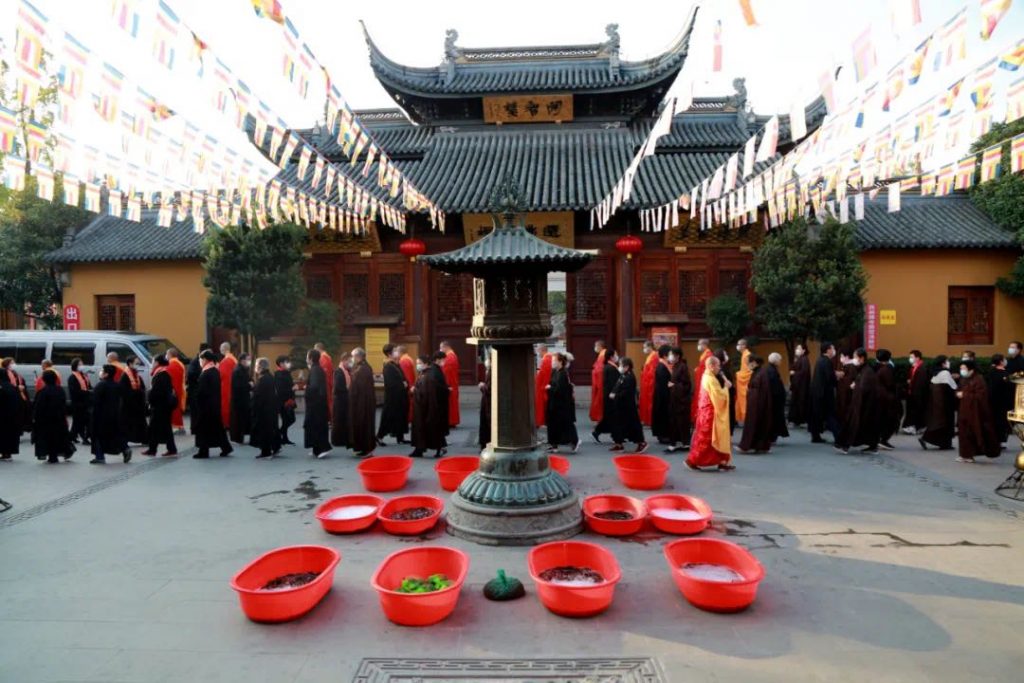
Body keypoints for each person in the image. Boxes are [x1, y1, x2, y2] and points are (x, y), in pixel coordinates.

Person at [687, 355, 734, 471]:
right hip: (710, 414)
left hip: (707, 412)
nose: (719, 368)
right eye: (718, 365)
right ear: (711, 366)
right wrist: (726, 387)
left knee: (717, 437)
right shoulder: (710, 379)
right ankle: (692, 461)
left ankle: (722, 461)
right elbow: (719, 397)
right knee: (707, 440)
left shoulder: (707, 376)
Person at [836, 349, 881, 455]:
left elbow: (864, 388)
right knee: (865, 426)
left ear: (862, 358)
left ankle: (845, 446)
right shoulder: (862, 369)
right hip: (860, 404)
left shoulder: (867, 371)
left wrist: (855, 387)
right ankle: (872, 446)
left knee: (855, 426)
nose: (854, 359)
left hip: (863, 404)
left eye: (856, 357)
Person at [956, 359, 1001, 463]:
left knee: (972, 432)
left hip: (975, 412)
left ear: (971, 369)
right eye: (961, 368)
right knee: (963, 433)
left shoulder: (979, 379)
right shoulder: (964, 379)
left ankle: (970, 455)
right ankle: (964, 454)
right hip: (964, 410)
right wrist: (958, 393)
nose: (962, 370)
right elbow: (958, 389)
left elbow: (981, 396)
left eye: (964, 368)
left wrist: (965, 395)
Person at [193, 350, 233, 459]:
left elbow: (202, 391)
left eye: (200, 359)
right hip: (214, 405)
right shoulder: (214, 370)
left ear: (205, 360)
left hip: (206, 406)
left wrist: (197, 399)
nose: (200, 361)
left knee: (204, 429)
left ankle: (203, 451)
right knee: (217, 429)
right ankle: (226, 448)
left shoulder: (206, 372)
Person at [90, 364, 131, 464]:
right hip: (115, 414)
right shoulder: (117, 385)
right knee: (115, 434)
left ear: (106, 374)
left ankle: (99, 456)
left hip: (101, 415)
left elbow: (94, 400)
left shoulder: (101, 385)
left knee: (97, 436)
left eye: (102, 371)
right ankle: (125, 448)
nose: (100, 372)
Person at [410, 354, 447, 458]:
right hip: (422, 407)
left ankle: (437, 448)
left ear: (426, 364)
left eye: (419, 363)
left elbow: (425, 393)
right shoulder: (424, 373)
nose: (417, 365)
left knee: (428, 428)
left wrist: (415, 390)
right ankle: (420, 449)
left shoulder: (428, 376)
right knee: (424, 428)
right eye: (417, 363)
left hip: (425, 407)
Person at [608, 357, 647, 453]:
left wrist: (615, 395)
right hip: (619, 405)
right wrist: (613, 392)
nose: (619, 367)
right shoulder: (623, 375)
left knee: (632, 425)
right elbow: (617, 386)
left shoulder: (630, 377)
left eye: (621, 365)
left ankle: (641, 443)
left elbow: (626, 392)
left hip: (627, 406)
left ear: (627, 367)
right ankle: (619, 444)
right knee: (617, 425)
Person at [33, 370, 72, 464]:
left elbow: (39, 407)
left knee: (48, 438)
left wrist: (35, 418)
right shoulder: (60, 390)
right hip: (59, 418)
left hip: (46, 419)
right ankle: (59, 453)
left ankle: (51, 456)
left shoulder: (43, 392)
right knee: (58, 437)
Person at [142, 355, 177, 457]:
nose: (152, 364)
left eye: (153, 362)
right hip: (163, 406)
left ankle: (154, 450)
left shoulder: (161, 375)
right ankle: (165, 449)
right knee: (163, 428)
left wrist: (149, 397)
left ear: (157, 363)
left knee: (155, 428)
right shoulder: (163, 373)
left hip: (160, 406)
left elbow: (156, 392)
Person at [920, 356, 958, 450]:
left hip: (937, 403)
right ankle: (941, 443)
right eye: (947, 361)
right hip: (945, 403)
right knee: (944, 423)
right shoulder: (945, 373)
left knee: (939, 423)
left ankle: (944, 444)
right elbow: (952, 387)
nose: (948, 363)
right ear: (943, 363)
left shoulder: (936, 373)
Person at [545, 352, 580, 453]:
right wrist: (550, 387)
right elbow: (552, 383)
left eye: (554, 360)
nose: (552, 362)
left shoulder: (563, 373)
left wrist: (550, 388)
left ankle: (574, 441)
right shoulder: (554, 371)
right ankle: (553, 444)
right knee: (553, 424)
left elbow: (560, 389)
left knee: (566, 424)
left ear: (560, 361)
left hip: (562, 404)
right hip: (554, 402)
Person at [738, 355, 773, 453]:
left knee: (754, 425)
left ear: (754, 363)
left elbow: (760, 389)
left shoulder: (761, 373)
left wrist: (750, 390)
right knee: (757, 425)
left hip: (757, 404)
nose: (747, 365)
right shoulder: (758, 372)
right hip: (756, 403)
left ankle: (749, 446)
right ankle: (757, 446)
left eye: (748, 363)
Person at [376, 344, 408, 446]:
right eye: (395, 350)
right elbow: (391, 384)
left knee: (400, 416)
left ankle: (400, 437)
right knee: (388, 417)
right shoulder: (388, 367)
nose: (397, 352)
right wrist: (402, 384)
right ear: (389, 354)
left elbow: (403, 377)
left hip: (400, 396)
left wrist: (405, 383)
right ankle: (379, 437)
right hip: (392, 398)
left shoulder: (396, 364)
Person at [250, 358, 281, 459]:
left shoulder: (263, 379)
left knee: (264, 431)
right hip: (270, 409)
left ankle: (266, 452)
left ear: (260, 367)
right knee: (271, 429)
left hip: (264, 410)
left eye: (256, 366)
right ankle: (274, 448)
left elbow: (259, 396)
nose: (255, 368)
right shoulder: (269, 377)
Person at [348, 347, 377, 457]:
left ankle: (367, 449)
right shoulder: (363, 367)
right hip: (363, 401)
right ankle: (362, 448)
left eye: (353, 356)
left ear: (358, 356)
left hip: (363, 403)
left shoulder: (362, 369)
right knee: (362, 425)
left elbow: (357, 387)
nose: (352, 358)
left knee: (364, 425)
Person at [303, 349, 331, 458]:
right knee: (315, 426)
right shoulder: (317, 368)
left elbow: (314, 387)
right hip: (318, 403)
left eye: (307, 357)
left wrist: (306, 388)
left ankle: (322, 448)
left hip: (316, 404)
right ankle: (316, 449)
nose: (306, 359)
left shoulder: (315, 370)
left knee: (317, 426)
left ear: (310, 358)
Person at [809, 343, 839, 444]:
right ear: (828, 350)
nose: (834, 350)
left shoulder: (820, 360)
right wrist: (837, 379)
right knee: (830, 415)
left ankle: (815, 436)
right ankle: (839, 438)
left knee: (816, 415)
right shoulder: (827, 361)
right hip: (824, 393)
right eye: (833, 348)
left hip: (817, 392)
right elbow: (830, 377)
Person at [590, 348, 620, 442]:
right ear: (611, 357)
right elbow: (612, 383)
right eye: (615, 354)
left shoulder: (609, 366)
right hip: (611, 395)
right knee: (612, 416)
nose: (617, 356)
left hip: (608, 395)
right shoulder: (611, 368)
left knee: (609, 417)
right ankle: (615, 435)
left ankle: (599, 432)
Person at [665, 347, 691, 453]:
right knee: (674, 422)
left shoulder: (683, 367)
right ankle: (675, 443)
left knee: (682, 422)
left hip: (681, 401)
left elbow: (687, 385)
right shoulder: (676, 366)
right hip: (675, 400)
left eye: (671, 354)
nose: (669, 357)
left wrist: (674, 385)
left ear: (677, 356)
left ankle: (685, 443)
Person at [874, 349, 901, 450]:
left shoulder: (878, 368)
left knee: (883, 419)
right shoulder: (887, 369)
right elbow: (890, 384)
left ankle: (881, 439)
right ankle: (883, 440)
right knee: (890, 420)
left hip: (881, 397)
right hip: (888, 398)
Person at [119, 356, 148, 445]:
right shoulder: (125, 375)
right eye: (136, 363)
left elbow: (142, 387)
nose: (138, 365)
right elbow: (124, 391)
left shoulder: (136, 374)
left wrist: (141, 392)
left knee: (140, 423)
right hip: (129, 404)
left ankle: (144, 439)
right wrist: (137, 393)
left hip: (138, 404)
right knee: (128, 424)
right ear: (130, 364)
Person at [987, 353, 1014, 447]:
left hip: (993, 401)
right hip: (1003, 402)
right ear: (1001, 362)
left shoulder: (991, 372)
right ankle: (999, 441)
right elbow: (1009, 388)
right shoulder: (1004, 374)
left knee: (994, 421)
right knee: (1001, 422)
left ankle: (994, 440)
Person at [902, 349, 929, 434]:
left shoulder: (922, 368)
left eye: (911, 357)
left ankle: (915, 427)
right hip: (912, 393)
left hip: (917, 394)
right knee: (913, 411)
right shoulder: (914, 367)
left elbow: (921, 383)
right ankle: (916, 427)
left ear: (917, 358)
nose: (910, 359)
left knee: (916, 411)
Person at [650, 345, 672, 444]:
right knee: (662, 415)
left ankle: (664, 434)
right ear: (664, 355)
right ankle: (663, 435)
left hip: (662, 394)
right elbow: (664, 383)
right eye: (670, 354)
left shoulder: (664, 365)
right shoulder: (662, 367)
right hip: (662, 395)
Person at [228, 353, 252, 444]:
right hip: (238, 399)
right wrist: (249, 385)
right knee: (238, 420)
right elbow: (238, 386)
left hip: (243, 398)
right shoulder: (237, 371)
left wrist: (250, 383)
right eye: (248, 359)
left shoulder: (244, 369)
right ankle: (237, 438)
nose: (249, 361)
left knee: (242, 419)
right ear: (242, 360)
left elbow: (248, 380)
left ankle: (240, 437)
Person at [765, 352, 789, 444]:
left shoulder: (770, 369)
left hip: (774, 399)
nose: (780, 362)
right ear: (776, 361)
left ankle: (772, 436)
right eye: (779, 360)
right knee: (774, 419)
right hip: (775, 400)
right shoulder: (772, 371)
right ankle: (772, 437)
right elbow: (775, 387)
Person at [68, 357, 92, 445]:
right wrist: (87, 393)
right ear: (75, 366)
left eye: (82, 364)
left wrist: (91, 392)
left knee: (79, 422)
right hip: (78, 403)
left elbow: (89, 386)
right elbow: (74, 391)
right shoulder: (72, 377)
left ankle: (72, 437)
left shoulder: (84, 376)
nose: (82, 366)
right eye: (80, 364)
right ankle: (84, 438)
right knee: (80, 421)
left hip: (85, 402)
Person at [0, 369, 23, 461]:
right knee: (9, 435)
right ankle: (7, 453)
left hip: (2, 415)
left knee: (2, 435)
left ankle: (3, 453)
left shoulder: (1, 387)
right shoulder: (13, 387)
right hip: (13, 415)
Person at [186, 343, 209, 433]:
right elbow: (191, 375)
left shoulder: (201, 360)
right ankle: (195, 429)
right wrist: (201, 377)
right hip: (194, 391)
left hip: (199, 391)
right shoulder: (195, 361)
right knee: (195, 411)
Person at [3, 357, 30, 433]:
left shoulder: (15, 373)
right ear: (7, 364)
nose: (14, 364)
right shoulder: (4, 373)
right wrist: (17, 388)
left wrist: (22, 387)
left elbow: (21, 381)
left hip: (20, 396)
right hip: (12, 397)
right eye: (12, 363)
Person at [330, 353, 351, 450]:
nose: (350, 363)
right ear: (344, 360)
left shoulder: (346, 371)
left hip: (344, 399)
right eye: (349, 361)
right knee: (338, 421)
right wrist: (347, 390)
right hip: (339, 400)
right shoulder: (339, 371)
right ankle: (337, 440)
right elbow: (338, 387)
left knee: (343, 420)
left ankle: (343, 439)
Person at [274, 356, 296, 445]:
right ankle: (279, 434)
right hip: (283, 401)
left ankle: (284, 438)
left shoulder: (286, 372)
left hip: (289, 400)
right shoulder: (279, 374)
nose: (289, 364)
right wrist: (292, 389)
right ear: (281, 364)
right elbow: (280, 390)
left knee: (288, 419)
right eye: (287, 362)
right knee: (288, 419)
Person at [431, 351, 451, 447]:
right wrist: (446, 389)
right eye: (443, 359)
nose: (444, 361)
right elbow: (437, 385)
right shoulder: (434, 370)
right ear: (438, 360)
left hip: (440, 399)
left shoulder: (437, 369)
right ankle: (440, 440)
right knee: (439, 421)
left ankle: (442, 440)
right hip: (438, 400)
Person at [788, 344, 811, 427]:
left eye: (798, 348)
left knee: (799, 403)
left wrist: (794, 373)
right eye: (796, 348)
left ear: (804, 350)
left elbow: (804, 372)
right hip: (798, 386)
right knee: (797, 403)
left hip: (801, 387)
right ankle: (797, 420)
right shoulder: (800, 359)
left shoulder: (804, 359)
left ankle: (798, 420)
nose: (796, 350)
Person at [166, 348, 187, 434]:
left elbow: (172, 379)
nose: (166, 356)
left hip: (175, 390)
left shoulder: (173, 364)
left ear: (170, 355)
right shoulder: (179, 363)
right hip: (180, 388)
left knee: (175, 409)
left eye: (167, 354)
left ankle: (178, 427)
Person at [691, 339, 713, 422]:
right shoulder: (704, 354)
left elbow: (707, 368)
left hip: (703, 379)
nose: (698, 346)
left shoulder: (709, 354)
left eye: (699, 344)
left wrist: (699, 370)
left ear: (704, 345)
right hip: (700, 378)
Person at [440, 340, 460, 427]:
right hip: (452, 383)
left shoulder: (450, 357)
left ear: (446, 347)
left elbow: (446, 372)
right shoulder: (451, 356)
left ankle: (451, 421)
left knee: (450, 404)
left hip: (450, 383)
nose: (440, 350)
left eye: (441, 348)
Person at [217, 342, 236, 429]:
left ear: (224, 349)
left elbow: (221, 375)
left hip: (226, 387)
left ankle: (226, 423)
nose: (220, 349)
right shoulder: (233, 359)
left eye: (221, 348)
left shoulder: (226, 361)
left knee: (226, 406)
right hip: (232, 386)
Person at [639, 340, 658, 426]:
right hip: (646, 382)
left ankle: (650, 420)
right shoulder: (650, 356)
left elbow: (652, 371)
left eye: (645, 347)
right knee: (646, 402)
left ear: (650, 347)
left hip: (650, 383)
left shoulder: (654, 356)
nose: (644, 349)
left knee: (650, 402)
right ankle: (646, 419)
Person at [733, 339, 753, 424]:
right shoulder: (744, 354)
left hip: (745, 382)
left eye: (740, 344)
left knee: (745, 400)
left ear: (744, 346)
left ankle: (746, 417)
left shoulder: (747, 355)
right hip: (742, 381)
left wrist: (739, 374)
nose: (738, 346)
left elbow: (750, 370)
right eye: (738, 344)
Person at [535, 343, 553, 428]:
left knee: (543, 406)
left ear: (542, 350)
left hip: (543, 387)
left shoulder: (546, 360)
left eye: (538, 350)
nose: (538, 353)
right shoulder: (548, 358)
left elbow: (545, 375)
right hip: (545, 386)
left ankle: (543, 422)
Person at [397, 345, 416, 424]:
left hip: (407, 386)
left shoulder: (404, 361)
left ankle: (408, 419)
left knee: (408, 404)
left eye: (397, 351)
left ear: (400, 352)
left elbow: (405, 376)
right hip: (410, 384)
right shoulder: (408, 359)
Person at [589, 340, 607, 423]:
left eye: (596, 346)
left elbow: (600, 370)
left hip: (600, 382)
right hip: (598, 380)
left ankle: (600, 418)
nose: (595, 348)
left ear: (600, 346)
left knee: (599, 401)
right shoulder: (602, 354)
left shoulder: (603, 355)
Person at [315, 342, 335, 416]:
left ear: (318, 349)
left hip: (326, 383)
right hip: (328, 382)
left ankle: (330, 418)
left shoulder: (323, 357)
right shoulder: (327, 356)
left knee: (328, 401)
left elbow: (323, 372)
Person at [478, 353, 492, 449]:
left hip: (488, 402)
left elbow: (490, 389)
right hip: (486, 401)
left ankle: (485, 444)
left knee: (486, 424)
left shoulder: (492, 371)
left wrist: (482, 386)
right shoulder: (491, 370)